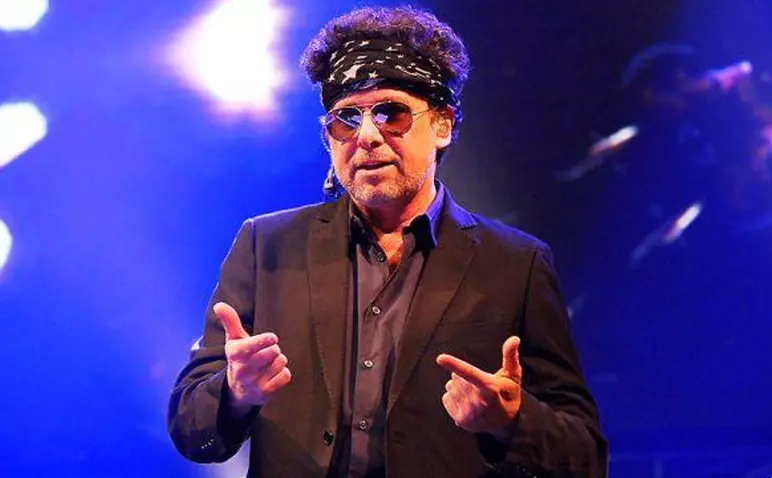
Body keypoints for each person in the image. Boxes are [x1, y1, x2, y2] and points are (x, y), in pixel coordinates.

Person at [167, 6, 608, 477]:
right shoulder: (266, 246)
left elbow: (584, 457)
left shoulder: (516, 263)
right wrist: (235, 393)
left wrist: (511, 422)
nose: (367, 137)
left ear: (442, 124)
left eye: (390, 113)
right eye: (346, 119)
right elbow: (191, 429)